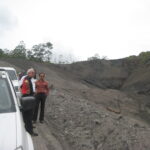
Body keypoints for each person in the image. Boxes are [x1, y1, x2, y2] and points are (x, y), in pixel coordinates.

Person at [21, 68, 38, 136]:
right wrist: (32, 93)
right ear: (29, 73)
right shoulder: (27, 80)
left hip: (27, 98)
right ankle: (30, 131)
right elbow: (26, 90)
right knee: (28, 116)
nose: (33, 74)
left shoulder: (28, 79)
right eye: (32, 73)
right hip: (28, 99)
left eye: (33, 73)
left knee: (27, 116)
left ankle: (28, 128)